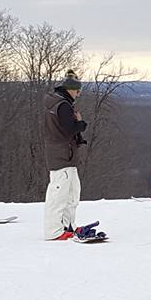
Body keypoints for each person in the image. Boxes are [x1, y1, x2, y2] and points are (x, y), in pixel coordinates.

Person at [43, 70, 103, 241]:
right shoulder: (62, 105)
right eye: (77, 91)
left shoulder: (58, 102)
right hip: (61, 155)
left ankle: (67, 225)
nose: (79, 94)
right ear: (70, 90)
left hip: (66, 154)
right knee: (59, 193)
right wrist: (80, 124)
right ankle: (54, 231)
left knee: (72, 192)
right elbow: (69, 128)